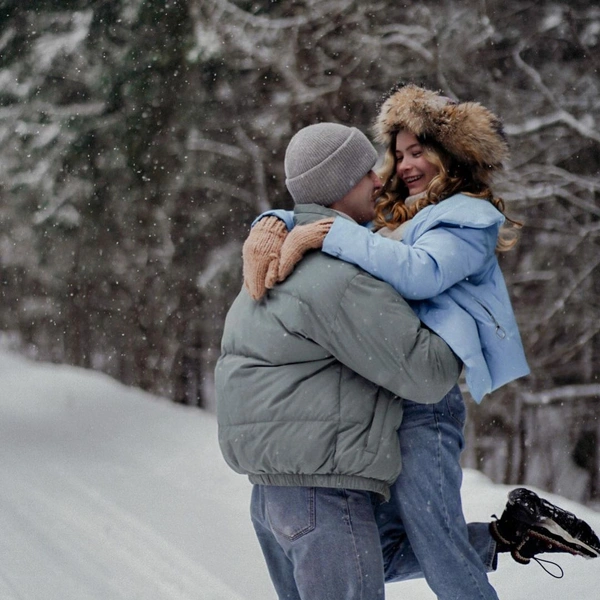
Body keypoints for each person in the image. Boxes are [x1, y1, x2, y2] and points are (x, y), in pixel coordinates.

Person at [241, 88, 600, 599]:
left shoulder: (469, 219)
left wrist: (322, 236)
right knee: (373, 552)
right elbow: (330, 207)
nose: (406, 165)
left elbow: (421, 274)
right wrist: (274, 222)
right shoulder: (400, 215)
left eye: (419, 152)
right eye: (400, 153)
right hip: (387, 403)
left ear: (451, 154)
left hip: (426, 407)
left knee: (441, 552)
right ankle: (513, 534)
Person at [216, 122, 464, 600]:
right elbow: (429, 374)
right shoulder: (339, 278)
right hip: (323, 498)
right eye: (365, 172)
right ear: (337, 187)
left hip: (274, 501)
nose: (379, 180)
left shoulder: (268, 264)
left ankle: (505, 538)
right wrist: (462, 303)